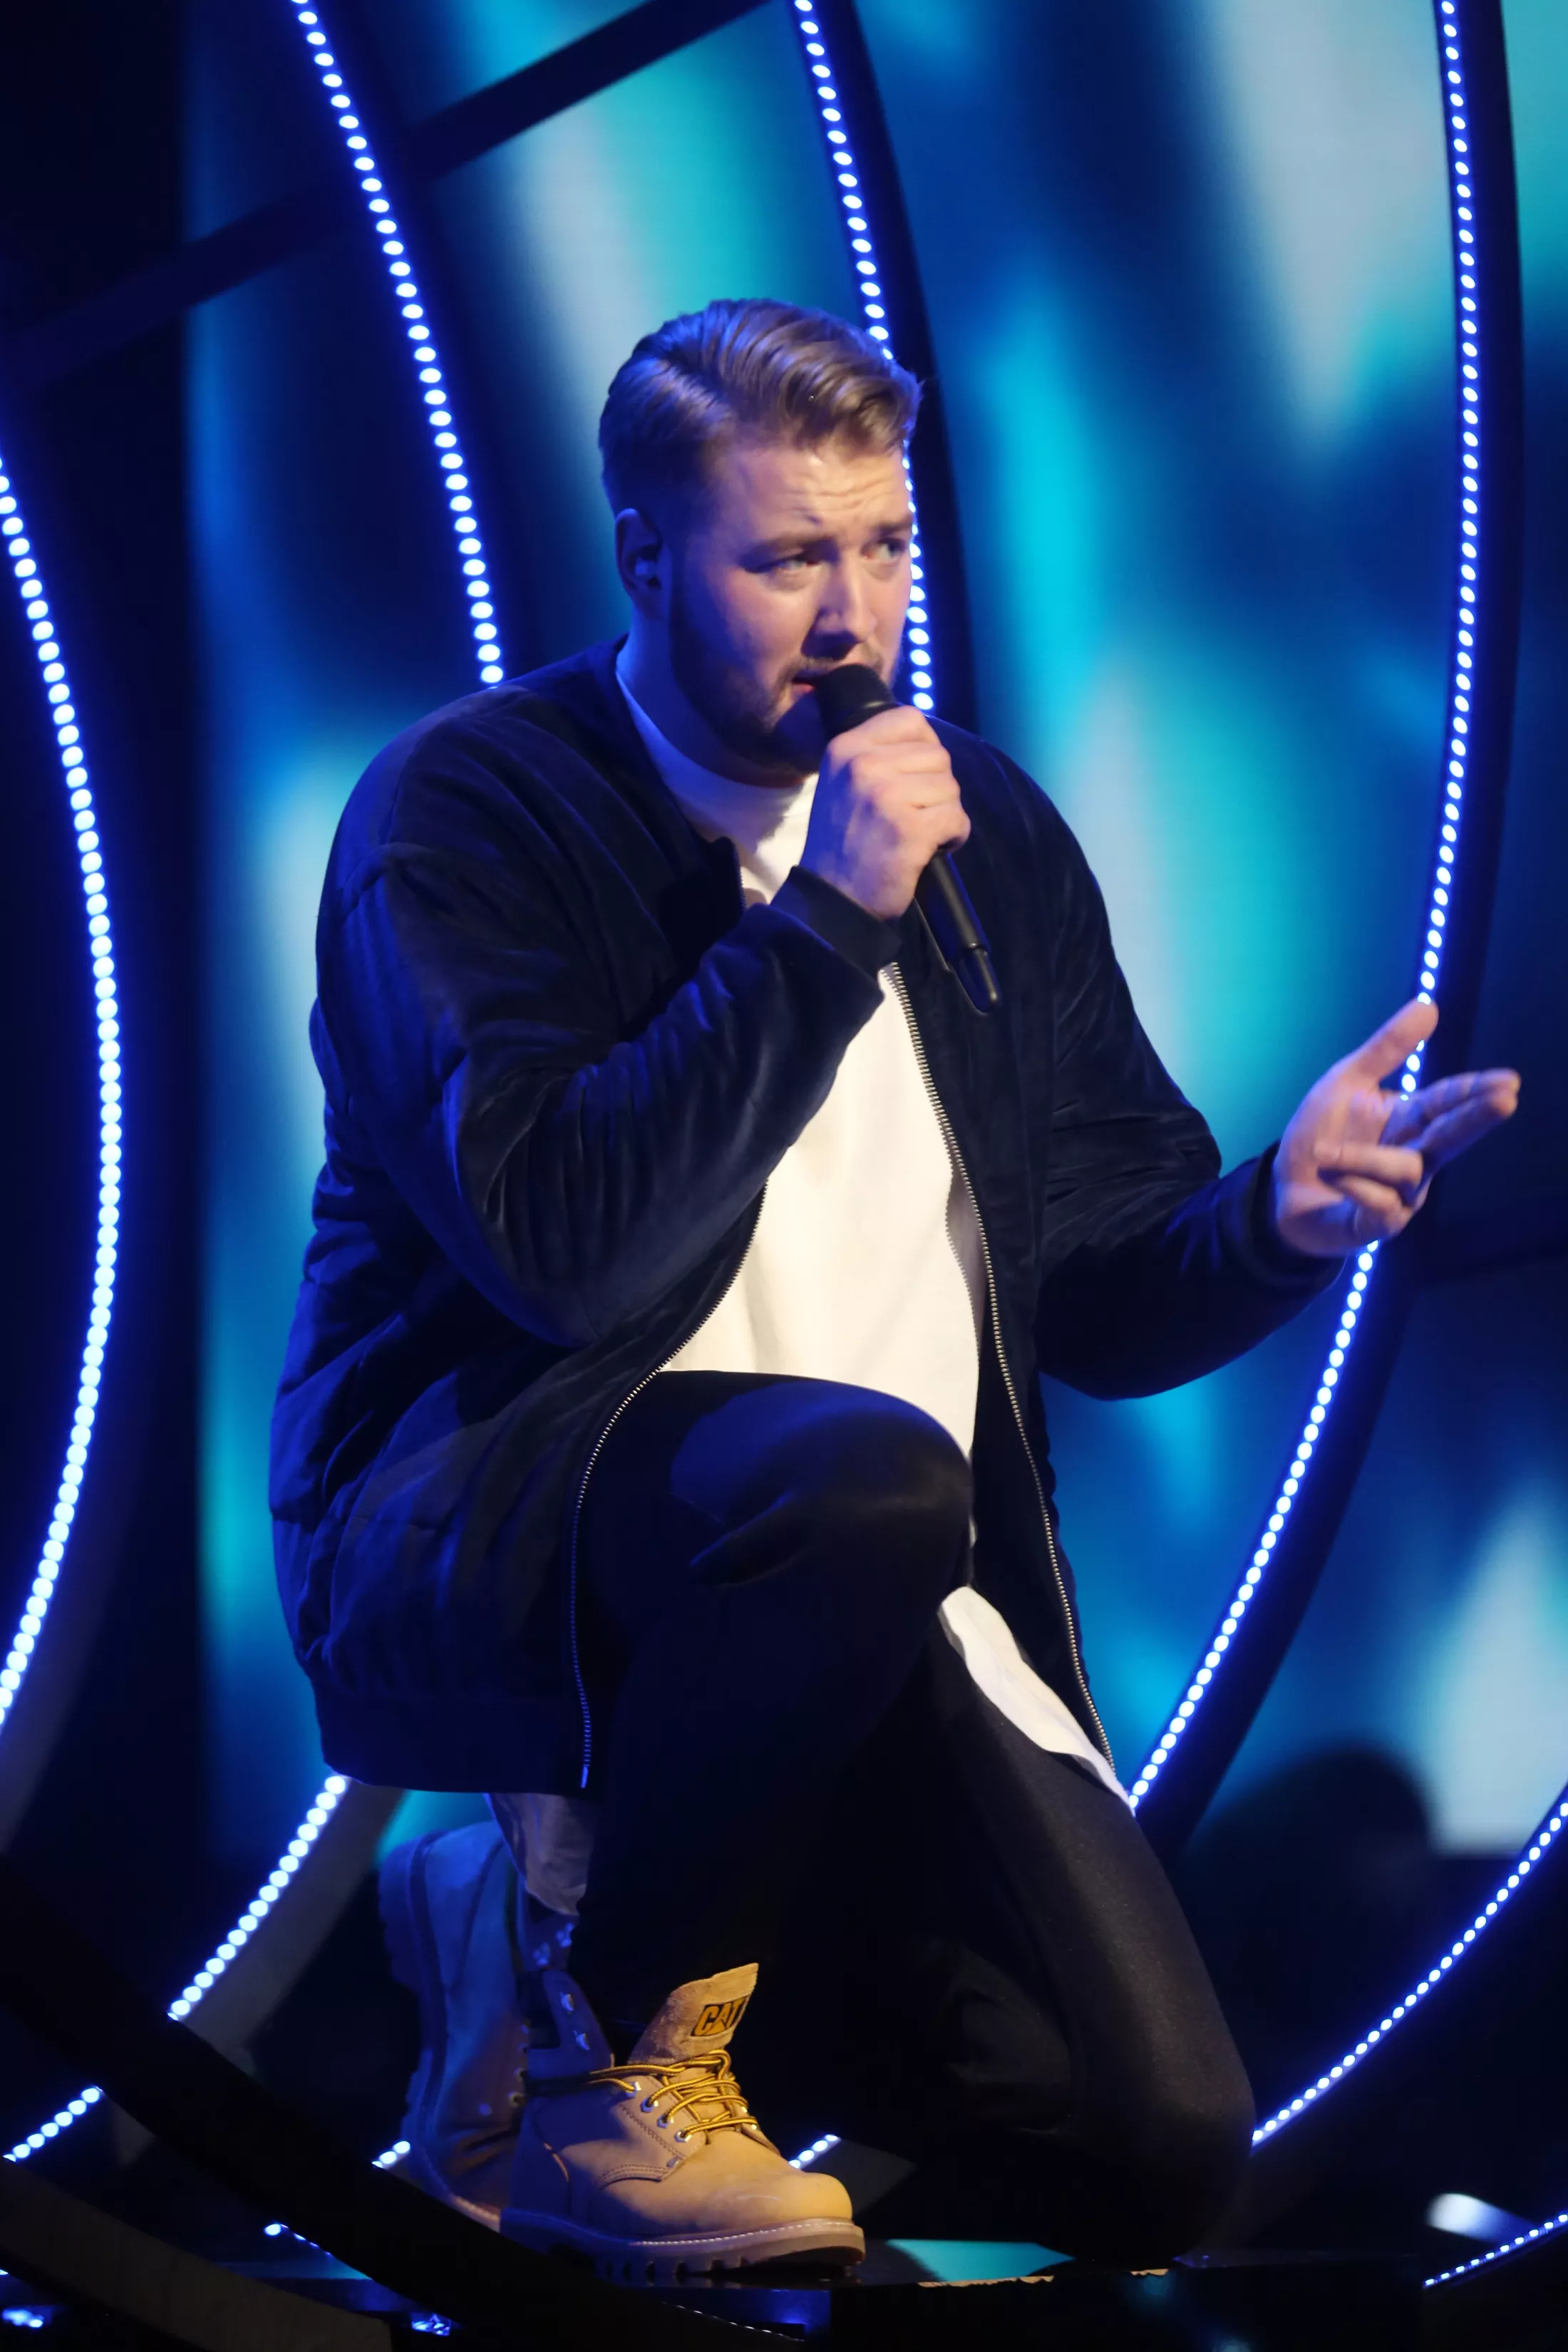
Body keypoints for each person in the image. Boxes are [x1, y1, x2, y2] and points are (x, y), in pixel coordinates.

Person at [272, 299, 1519, 2282]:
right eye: (788, 559)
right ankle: (617, 2068)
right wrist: (830, 915)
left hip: (886, 1576)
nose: (854, 617)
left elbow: (1097, 1290)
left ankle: (540, 1944)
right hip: (532, 1527)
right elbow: (564, 1244)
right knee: (855, 1476)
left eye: (885, 547)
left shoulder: (983, 832)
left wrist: (1278, 1220)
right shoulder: (465, 812)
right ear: (647, 558)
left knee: (1155, 2151)